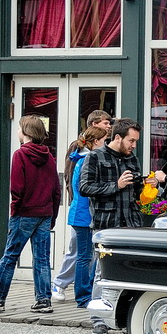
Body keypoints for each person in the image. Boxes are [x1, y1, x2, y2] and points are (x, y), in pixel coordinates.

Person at [0, 115, 62, 314]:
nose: (17, 132)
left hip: (24, 213)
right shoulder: (49, 157)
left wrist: (14, 210)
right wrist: (53, 215)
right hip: (44, 213)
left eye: (19, 129)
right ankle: (43, 300)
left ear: (25, 132)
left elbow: (17, 188)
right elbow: (56, 189)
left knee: (10, 256)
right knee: (42, 259)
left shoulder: (20, 154)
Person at [79, 117, 152, 334]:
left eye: (136, 141)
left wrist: (148, 185)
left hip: (131, 223)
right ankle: (98, 319)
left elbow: (137, 193)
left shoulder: (132, 159)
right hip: (106, 225)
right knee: (103, 271)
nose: (134, 145)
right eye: (131, 140)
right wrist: (115, 185)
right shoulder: (94, 157)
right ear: (117, 137)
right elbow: (84, 187)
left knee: (132, 270)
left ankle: (127, 316)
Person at [51, 110, 113, 302]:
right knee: (82, 255)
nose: (109, 126)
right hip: (84, 214)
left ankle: (80, 290)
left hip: (83, 212)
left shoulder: (83, 156)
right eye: (105, 124)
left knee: (85, 254)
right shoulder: (86, 159)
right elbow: (77, 184)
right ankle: (81, 294)